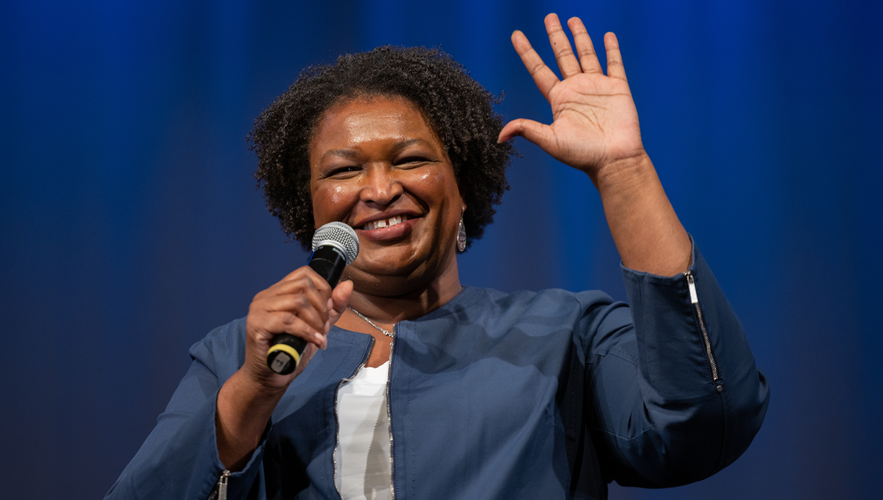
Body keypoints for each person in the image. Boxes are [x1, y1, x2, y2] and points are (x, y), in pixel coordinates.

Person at [106, 14, 769, 500]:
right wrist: (253, 392)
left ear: (464, 189)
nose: (379, 188)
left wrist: (624, 171)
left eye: (412, 159)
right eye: (344, 170)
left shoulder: (566, 337)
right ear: (306, 205)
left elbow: (707, 420)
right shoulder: (236, 357)